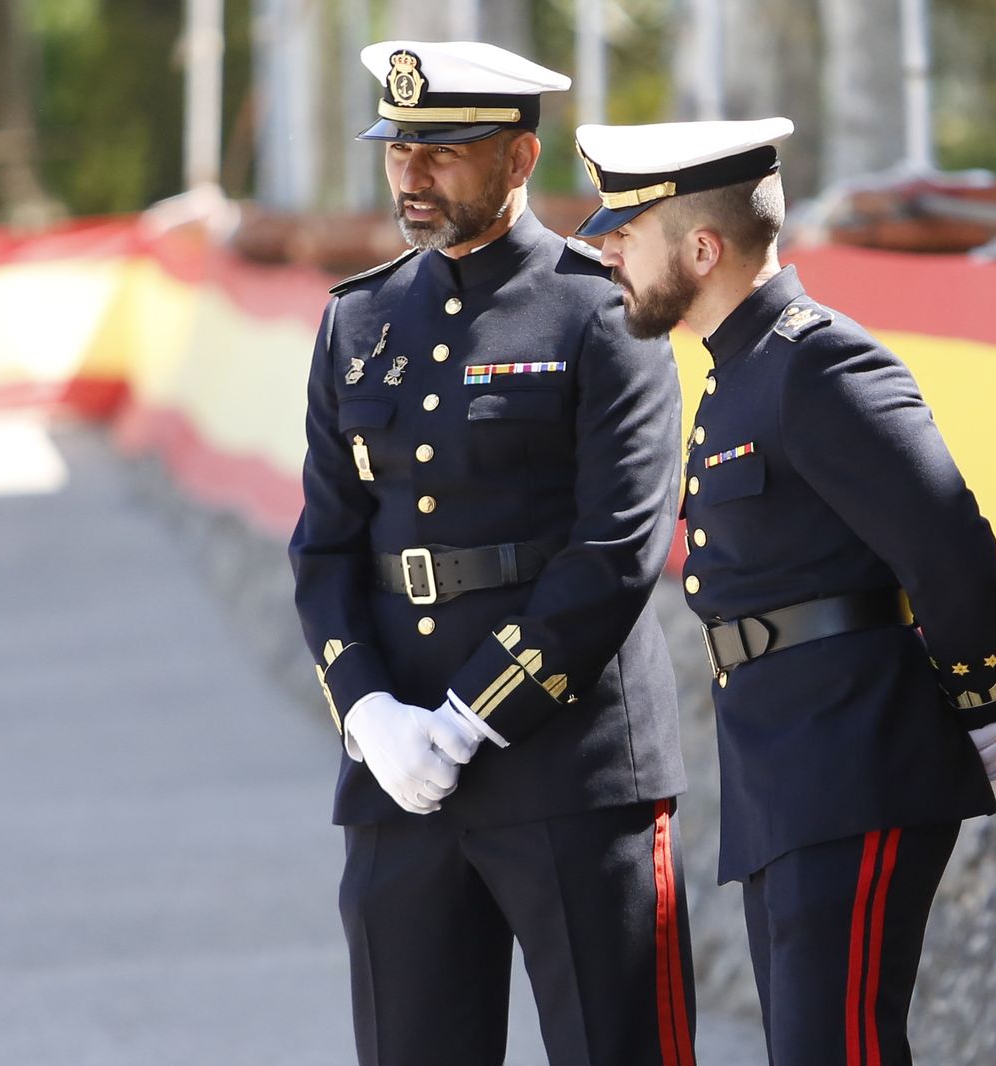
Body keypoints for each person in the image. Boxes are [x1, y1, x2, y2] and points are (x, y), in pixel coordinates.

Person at [573, 117, 996, 1064]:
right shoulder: (742, 372)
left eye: (627, 230)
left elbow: (946, 538)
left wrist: (985, 696)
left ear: (701, 247)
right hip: (783, 768)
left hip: (855, 758)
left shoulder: (818, 361)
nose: (606, 247)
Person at [289, 40, 697, 1066]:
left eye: (445, 153)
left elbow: (613, 549)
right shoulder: (359, 319)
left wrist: (470, 717)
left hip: (571, 768)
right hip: (399, 775)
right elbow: (324, 546)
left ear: (518, 161)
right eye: (397, 150)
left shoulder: (602, 310)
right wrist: (369, 714)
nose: (410, 176)